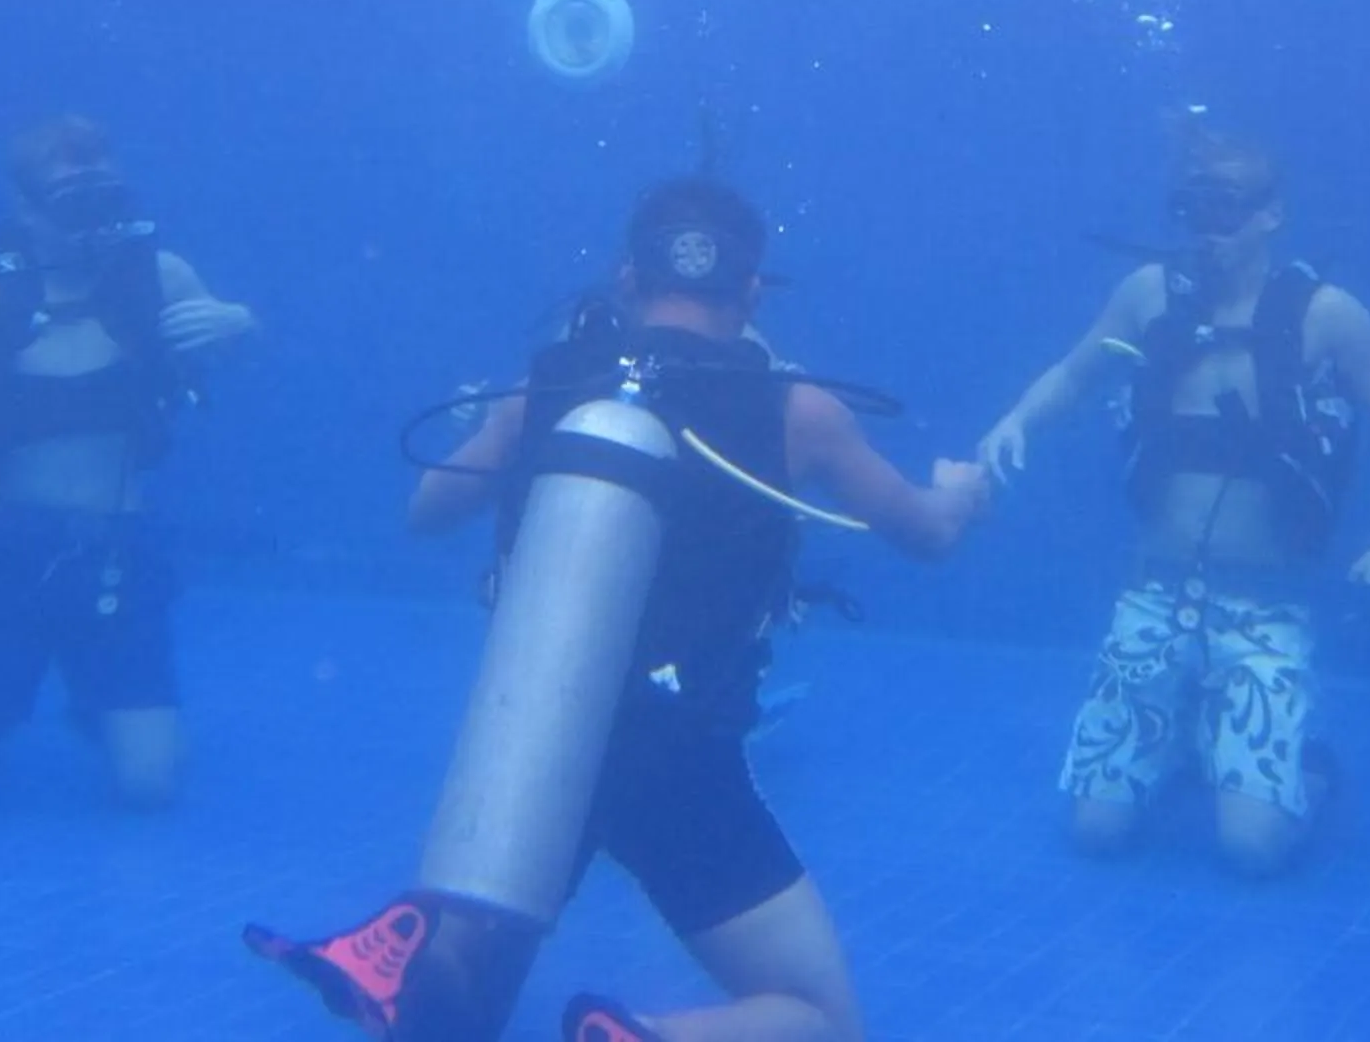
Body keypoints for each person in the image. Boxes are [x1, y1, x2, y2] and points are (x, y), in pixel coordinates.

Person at [253, 175, 992, 1042]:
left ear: (624, 279)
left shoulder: (548, 390)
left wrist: (508, 423)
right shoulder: (800, 412)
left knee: (457, 1008)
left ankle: (413, 948)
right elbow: (927, 535)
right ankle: (646, 1035)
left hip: (533, 736)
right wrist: (962, 491)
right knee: (824, 1021)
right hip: (674, 759)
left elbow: (427, 512)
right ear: (751, 292)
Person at [977, 128, 1370, 874]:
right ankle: (1193, 729)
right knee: (1096, 831)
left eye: (1227, 207)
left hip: (1264, 606)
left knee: (1253, 850)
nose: (1207, 227)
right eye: (1193, 207)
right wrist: (1015, 419)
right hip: (1153, 594)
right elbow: (1073, 373)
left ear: (1270, 215)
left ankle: (1304, 769)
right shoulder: (1148, 297)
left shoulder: (1327, 314)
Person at [0, 115, 255, 815]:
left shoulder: (161, 278)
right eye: (70, 204)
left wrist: (240, 321)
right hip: (4, 555)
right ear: (25, 209)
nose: (94, 224)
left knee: (149, 786)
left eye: (106, 200)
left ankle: (102, 708)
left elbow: (225, 338)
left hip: (115, 553)